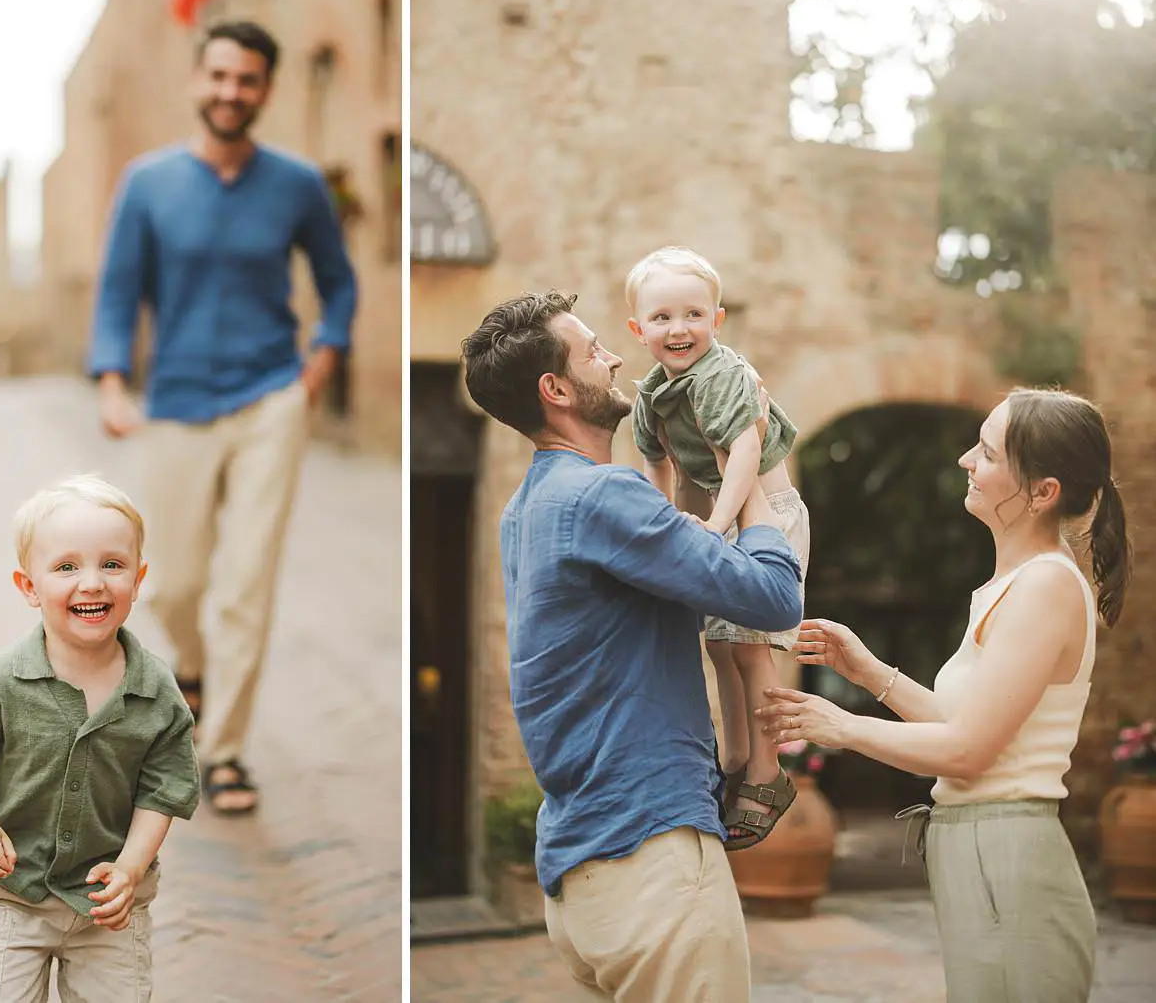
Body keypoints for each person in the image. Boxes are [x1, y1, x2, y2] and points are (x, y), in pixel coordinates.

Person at [460, 290, 803, 1002]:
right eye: (592, 352)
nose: (615, 358)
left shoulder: (526, 509)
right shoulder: (602, 497)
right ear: (556, 390)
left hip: (583, 875)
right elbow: (774, 597)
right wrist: (753, 456)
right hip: (653, 864)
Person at [757, 388, 1130, 1003]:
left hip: (1009, 859)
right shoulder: (1015, 584)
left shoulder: (1045, 586)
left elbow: (967, 752)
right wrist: (870, 673)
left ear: (1043, 492)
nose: (965, 460)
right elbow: (962, 724)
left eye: (987, 453)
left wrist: (841, 726)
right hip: (983, 850)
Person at [86, 19, 357, 815]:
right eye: (219, 76)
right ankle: (193, 666)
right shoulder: (148, 183)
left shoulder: (297, 184)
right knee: (174, 584)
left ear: (265, 90)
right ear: (196, 81)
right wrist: (112, 382)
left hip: (270, 397)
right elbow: (118, 291)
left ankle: (225, 751)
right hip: (175, 401)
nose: (231, 92)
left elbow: (339, 282)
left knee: (247, 582)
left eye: (247, 80)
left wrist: (323, 358)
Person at [0, 474, 199, 1003]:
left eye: (112, 564)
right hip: (14, 897)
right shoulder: (0, 682)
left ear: (138, 579)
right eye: (67, 567)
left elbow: (164, 789)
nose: (92, 583)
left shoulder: (157, 691)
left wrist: (130, 867)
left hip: (109, 907)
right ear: (29, 587)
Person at [625, 246, 811, 848]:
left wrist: (718, 525)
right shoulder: (652, 394)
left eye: (693, 314)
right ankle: (733, 757)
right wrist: (661, 529)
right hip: (718, 519)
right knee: (719, 645)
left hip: (765, 515)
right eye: (661, 317)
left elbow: (745, 454)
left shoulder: (723, 375)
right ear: (638, 329)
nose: (678, 328)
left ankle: (767, 771)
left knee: (752, 649)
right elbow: (659, 467)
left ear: (717, 320)